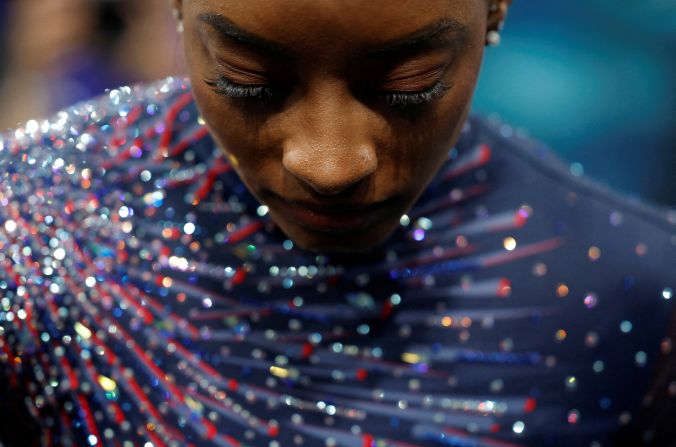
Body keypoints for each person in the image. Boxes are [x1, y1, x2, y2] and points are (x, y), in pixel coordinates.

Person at [0, 1, 674, 446]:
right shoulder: (22, 239)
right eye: (249, 76)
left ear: (494, 6)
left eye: (409, 82)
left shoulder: (638, 291)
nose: (328, 161)